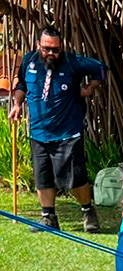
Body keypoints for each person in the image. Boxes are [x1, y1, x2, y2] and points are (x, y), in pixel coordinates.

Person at [8, 24, 105, 233]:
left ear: (61, 47)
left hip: (68, 131)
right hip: (38, 132)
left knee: (74, 179)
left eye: (55, 49)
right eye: (46, 48)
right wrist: (17, 104)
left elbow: (99, 67)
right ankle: (48, 217)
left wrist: (91, 87)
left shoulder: (73, 62)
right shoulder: (29, 61)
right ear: (38, 45)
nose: (51, 53)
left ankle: (88, 210)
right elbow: (22, 85)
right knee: (43, 177)